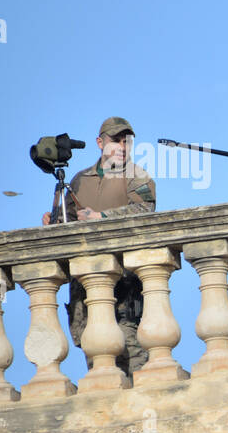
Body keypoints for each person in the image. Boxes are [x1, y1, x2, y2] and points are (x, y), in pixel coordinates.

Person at [42, 116, 156, 376]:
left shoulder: (137, 177)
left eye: (126, 141)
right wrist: (53, 223)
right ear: (100, 143)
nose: (122, 146)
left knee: (135, 361)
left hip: (125, 287)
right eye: (116, 140)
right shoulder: (79, 180)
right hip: (86, 291)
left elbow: (145, 210)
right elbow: (63, 225)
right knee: (99, 367)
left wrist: (101, 218)